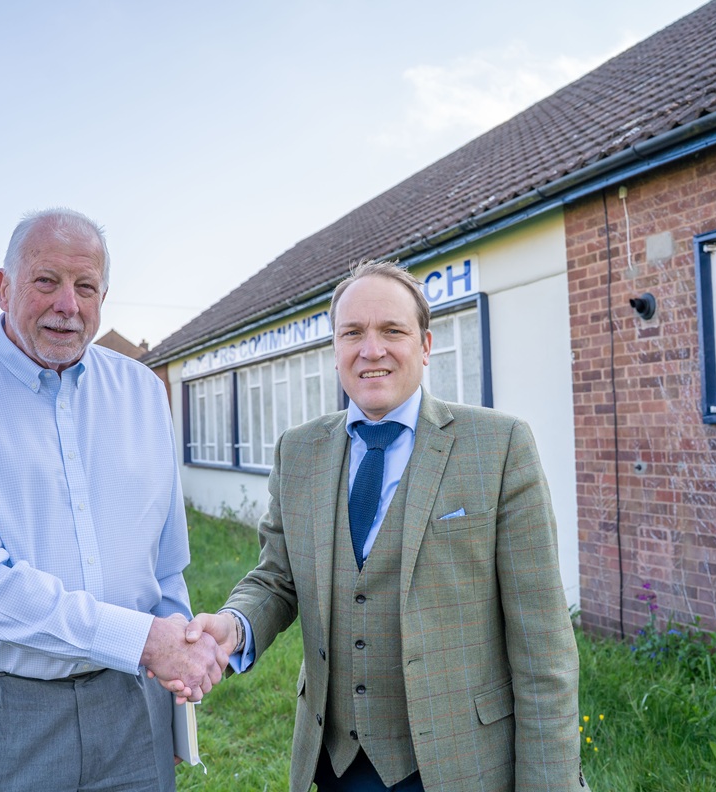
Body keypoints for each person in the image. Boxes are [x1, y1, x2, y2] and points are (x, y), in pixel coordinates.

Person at [182, 261, 587, 791]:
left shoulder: (499, 446)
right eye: (352, 333)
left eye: (392, 330)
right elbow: (278, 577)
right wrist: (235, 624)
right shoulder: (298, 450)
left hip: (460, 765)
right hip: (335, 764)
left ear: (424, 345)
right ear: (335, 350)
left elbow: (544, 648)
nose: (371, 350)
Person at [0, 207, 225, 792]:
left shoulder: (145, 394)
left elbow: (166, 564)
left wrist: (174, 685)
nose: (67, 305)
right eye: (46, 281)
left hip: (132, 705)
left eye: (86, 287)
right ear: (3, 287)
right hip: (1, 715)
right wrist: (148, 644)